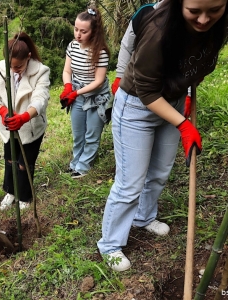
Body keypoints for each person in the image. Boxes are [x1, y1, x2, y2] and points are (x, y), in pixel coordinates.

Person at [97, 0, 228, 272]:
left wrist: (188, 97)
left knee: (160, 171)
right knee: (130, 183)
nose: (204, 20)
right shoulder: (158, 29)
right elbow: (146, 91)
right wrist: (183, 125)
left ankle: (144, 217)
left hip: (175, 101)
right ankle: (110, 244)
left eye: (214, 11)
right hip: (136, 106)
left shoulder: (219, 28)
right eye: (195, 11)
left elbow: (198, 68)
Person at [0, 32, 50, 211]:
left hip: (30, 127)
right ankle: (11, 191)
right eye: (11, 66)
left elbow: (41, 98)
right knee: (10, 160)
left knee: (24, 164)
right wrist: (2, 110)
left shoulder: (40, 71)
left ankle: (25, 195)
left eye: (19, 66)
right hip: (8, 126)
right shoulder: (0, 69)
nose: (15, 70)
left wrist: (24, 117)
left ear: (28, 57)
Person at [111, 1, 193, 119]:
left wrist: (189, 94)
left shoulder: (189, 17)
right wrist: (119, 75)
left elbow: (192, 60)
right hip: (138, 94)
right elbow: (127, 45)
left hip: (173, 95)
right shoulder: (146, 12)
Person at [60, 6, 111, 179]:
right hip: (77, 94)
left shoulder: (101, 52)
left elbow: (98, 82)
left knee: (91, 133)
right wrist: (68, 87)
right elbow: (67, 71)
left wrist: (77, 92)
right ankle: (75, 162)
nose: (78, 35)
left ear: (93, 32)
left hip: (97, 97)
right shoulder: (72, 47)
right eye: (76, 29)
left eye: (83, 31)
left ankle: (83, 166)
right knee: (78, 132)